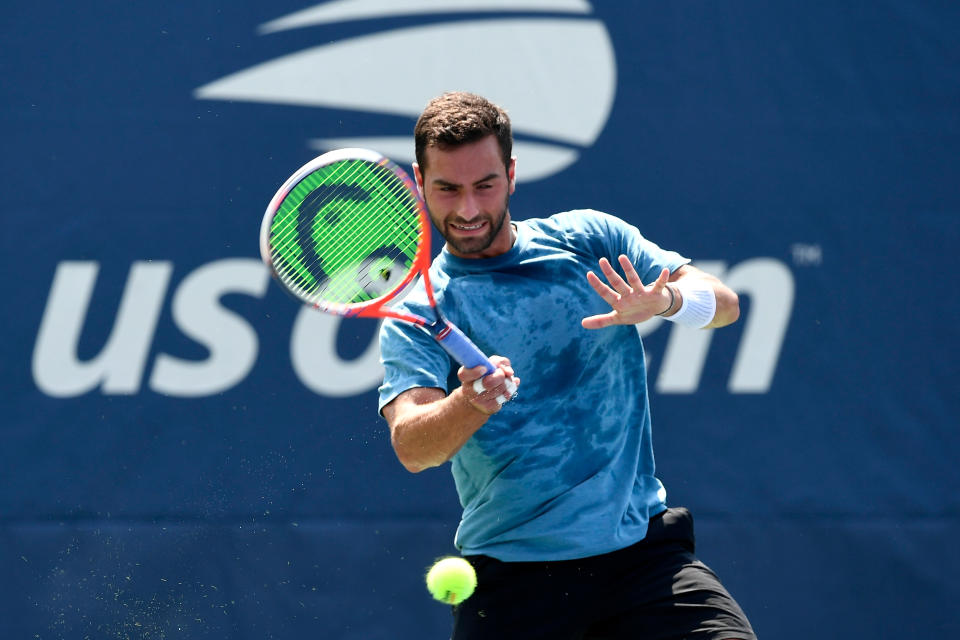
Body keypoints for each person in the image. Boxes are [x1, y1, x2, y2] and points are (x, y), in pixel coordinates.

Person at [377, 92, 755, 640]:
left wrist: (666, 301)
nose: (468, 210)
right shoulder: (415, 315)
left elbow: (725, 305)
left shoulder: (588, 240)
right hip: (514, 586)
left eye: (485, 185)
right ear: (419, 181)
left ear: (511, 173)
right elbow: (414, 448)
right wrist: (470, 403)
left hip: (644, 562)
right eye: (447, 188)